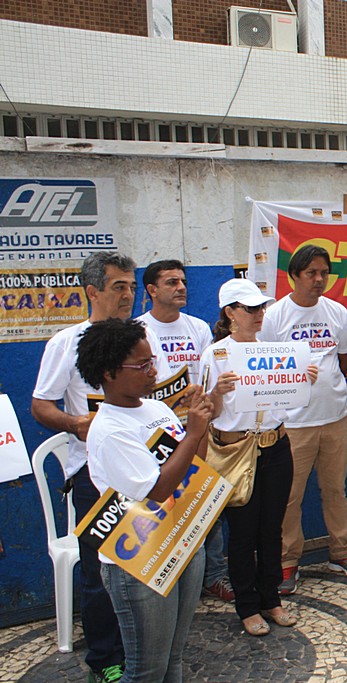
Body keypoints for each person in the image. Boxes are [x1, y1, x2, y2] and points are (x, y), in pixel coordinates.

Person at [31, 251, 172, 683]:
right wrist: (75, 423)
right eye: (118, 287)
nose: (128, 294)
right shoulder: (66, 344)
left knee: (154, 563)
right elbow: (41, 405)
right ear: (93, 291)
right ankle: (107, 659)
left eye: (132, 286)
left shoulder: (144, 337)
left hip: (148, 470)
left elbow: (157, 394)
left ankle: (153, 649)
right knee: (101, 573)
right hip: (96, 477)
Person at [77, 318, 212, 683]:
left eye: (153, 361)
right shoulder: (110, 430)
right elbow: (157, 489)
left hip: (180, 542)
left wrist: (201, 424)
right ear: (108, 372)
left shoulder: (157, 410)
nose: (154, 371)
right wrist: (195, 431)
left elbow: (190, 464)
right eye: (142, 365)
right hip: (138, 562)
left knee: (173, 659)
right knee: (146, 670)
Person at [199, 278, 307, 636]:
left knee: (272, 528)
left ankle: (270, 597)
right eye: (251, 309)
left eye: (261, 307)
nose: (260, 314)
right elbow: (205, 412)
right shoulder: (214, 355)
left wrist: (301, 378)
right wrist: (217, 391)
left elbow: (289, 401)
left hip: (275, 445)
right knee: (243, 532)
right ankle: (247, 605)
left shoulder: (271, 350)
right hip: (236, 449)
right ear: (230, 313)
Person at [259, 245, 347, 594]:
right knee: (289, 496)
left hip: (335, 417)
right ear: (294, 275)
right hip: (293, 423)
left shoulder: (336, 311)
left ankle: (341, 551)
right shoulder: (275, 316)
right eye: (311, 273)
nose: (319, 280)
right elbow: (264, 366)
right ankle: (288, 560)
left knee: (336, 490)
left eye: (324, 273)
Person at [137, 259, 232, 603]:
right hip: (154, 434)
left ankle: (214, 576)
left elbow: (206, 378)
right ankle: (164, 574)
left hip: (197, 428)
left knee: (204, 502)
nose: (180, 287)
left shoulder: (198, 328)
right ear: (151, 290)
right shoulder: (138, 331)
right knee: (162, 504)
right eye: (171, 282)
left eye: (183, 281)